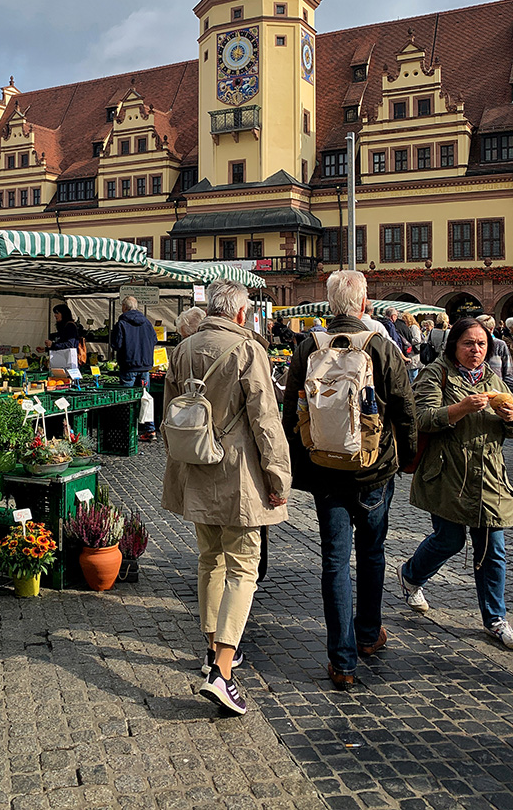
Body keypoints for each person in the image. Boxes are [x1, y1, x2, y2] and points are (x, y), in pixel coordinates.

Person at [282, 270, 417, 689]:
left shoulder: (308, 347)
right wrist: (408, 458)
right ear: (363, 306)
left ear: (328, 305)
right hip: (373, 470)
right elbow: (405, 409)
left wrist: (297, 463)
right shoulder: (381, 346)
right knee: (373, 554)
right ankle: (368, 635)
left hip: (325, 471)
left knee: (335, 562)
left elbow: (291, 412)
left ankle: (342, 662)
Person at [162, 279, 291, 715]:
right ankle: (223, 670)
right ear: (240, 313)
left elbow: (169, 413)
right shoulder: (247, 350)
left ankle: (215, 650)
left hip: (196, 465)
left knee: (209, 560)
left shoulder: (181, 349)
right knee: (242, 566)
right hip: (237, 472)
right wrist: (278, 477)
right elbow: (266, 420)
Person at [398, 318, 513, 647]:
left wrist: (511, 419)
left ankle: (495, 618)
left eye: (481, 344)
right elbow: (421, 418)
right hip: (447, 473)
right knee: (449, 540)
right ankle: (410, 576)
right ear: (453, 346)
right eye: (468, 343)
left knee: (493, 549)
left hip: (489, 477)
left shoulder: (493, 379)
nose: (475, 350)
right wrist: (460, 408)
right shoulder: (437, 373)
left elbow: (507, 430)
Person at [111, 296, 158, 441]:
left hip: (128, 366)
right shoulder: (147, 323)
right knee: (145, 399)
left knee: (127, 399)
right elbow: (155, 340)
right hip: (145, 368)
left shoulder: (121, 324)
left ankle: (126, 431)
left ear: (124, 308)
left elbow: (116, 345)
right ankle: (150, 430)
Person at [476, 315, 513, 392]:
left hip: (496, 390)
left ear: (491, 329)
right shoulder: (473, 346)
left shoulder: (499, 345)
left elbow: (508, 372)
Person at [401, 311, 422, 381]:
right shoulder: (408, 327)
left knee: (413, 376)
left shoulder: (413, 327)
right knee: (411, 375)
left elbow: (417, 339)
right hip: (410, 354)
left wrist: (407, 342)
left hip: (414, 354)